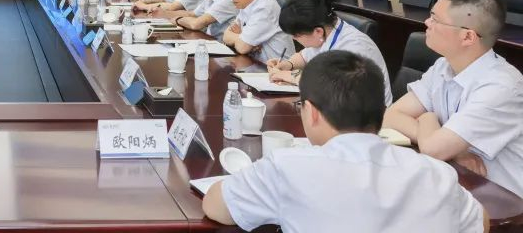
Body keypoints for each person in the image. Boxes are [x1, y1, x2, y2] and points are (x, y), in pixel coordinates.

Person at [202, 50, 488, 233]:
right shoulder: (436, 175)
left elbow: (217, 207)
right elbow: (481, 222)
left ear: (311, 112)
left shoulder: (288, 167)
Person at [383, 0, 523, 199]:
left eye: (436, 19)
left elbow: (434, 149)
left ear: (468, 37)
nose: (427, 22)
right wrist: (456, 151)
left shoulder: (501, 87)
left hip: (504, 201)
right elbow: (391, 116)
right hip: (461, 182)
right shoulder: (443, 66)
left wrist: (427, 118)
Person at [269, 0, 393, 106]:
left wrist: (292, 76)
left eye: (296, 35)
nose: (294, 39)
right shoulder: (324, 31)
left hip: (368, 115)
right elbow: (304, 56)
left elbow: (333, 88)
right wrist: (288, 64)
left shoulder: (354, 47)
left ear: (318, 31)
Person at [221, 0, 293, 63]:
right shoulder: (245, 4)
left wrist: (244, 41)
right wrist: (244, 40)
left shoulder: (265, 7)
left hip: (279, 69)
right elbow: (226, 35)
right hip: (256, 64)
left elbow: (242, 47)